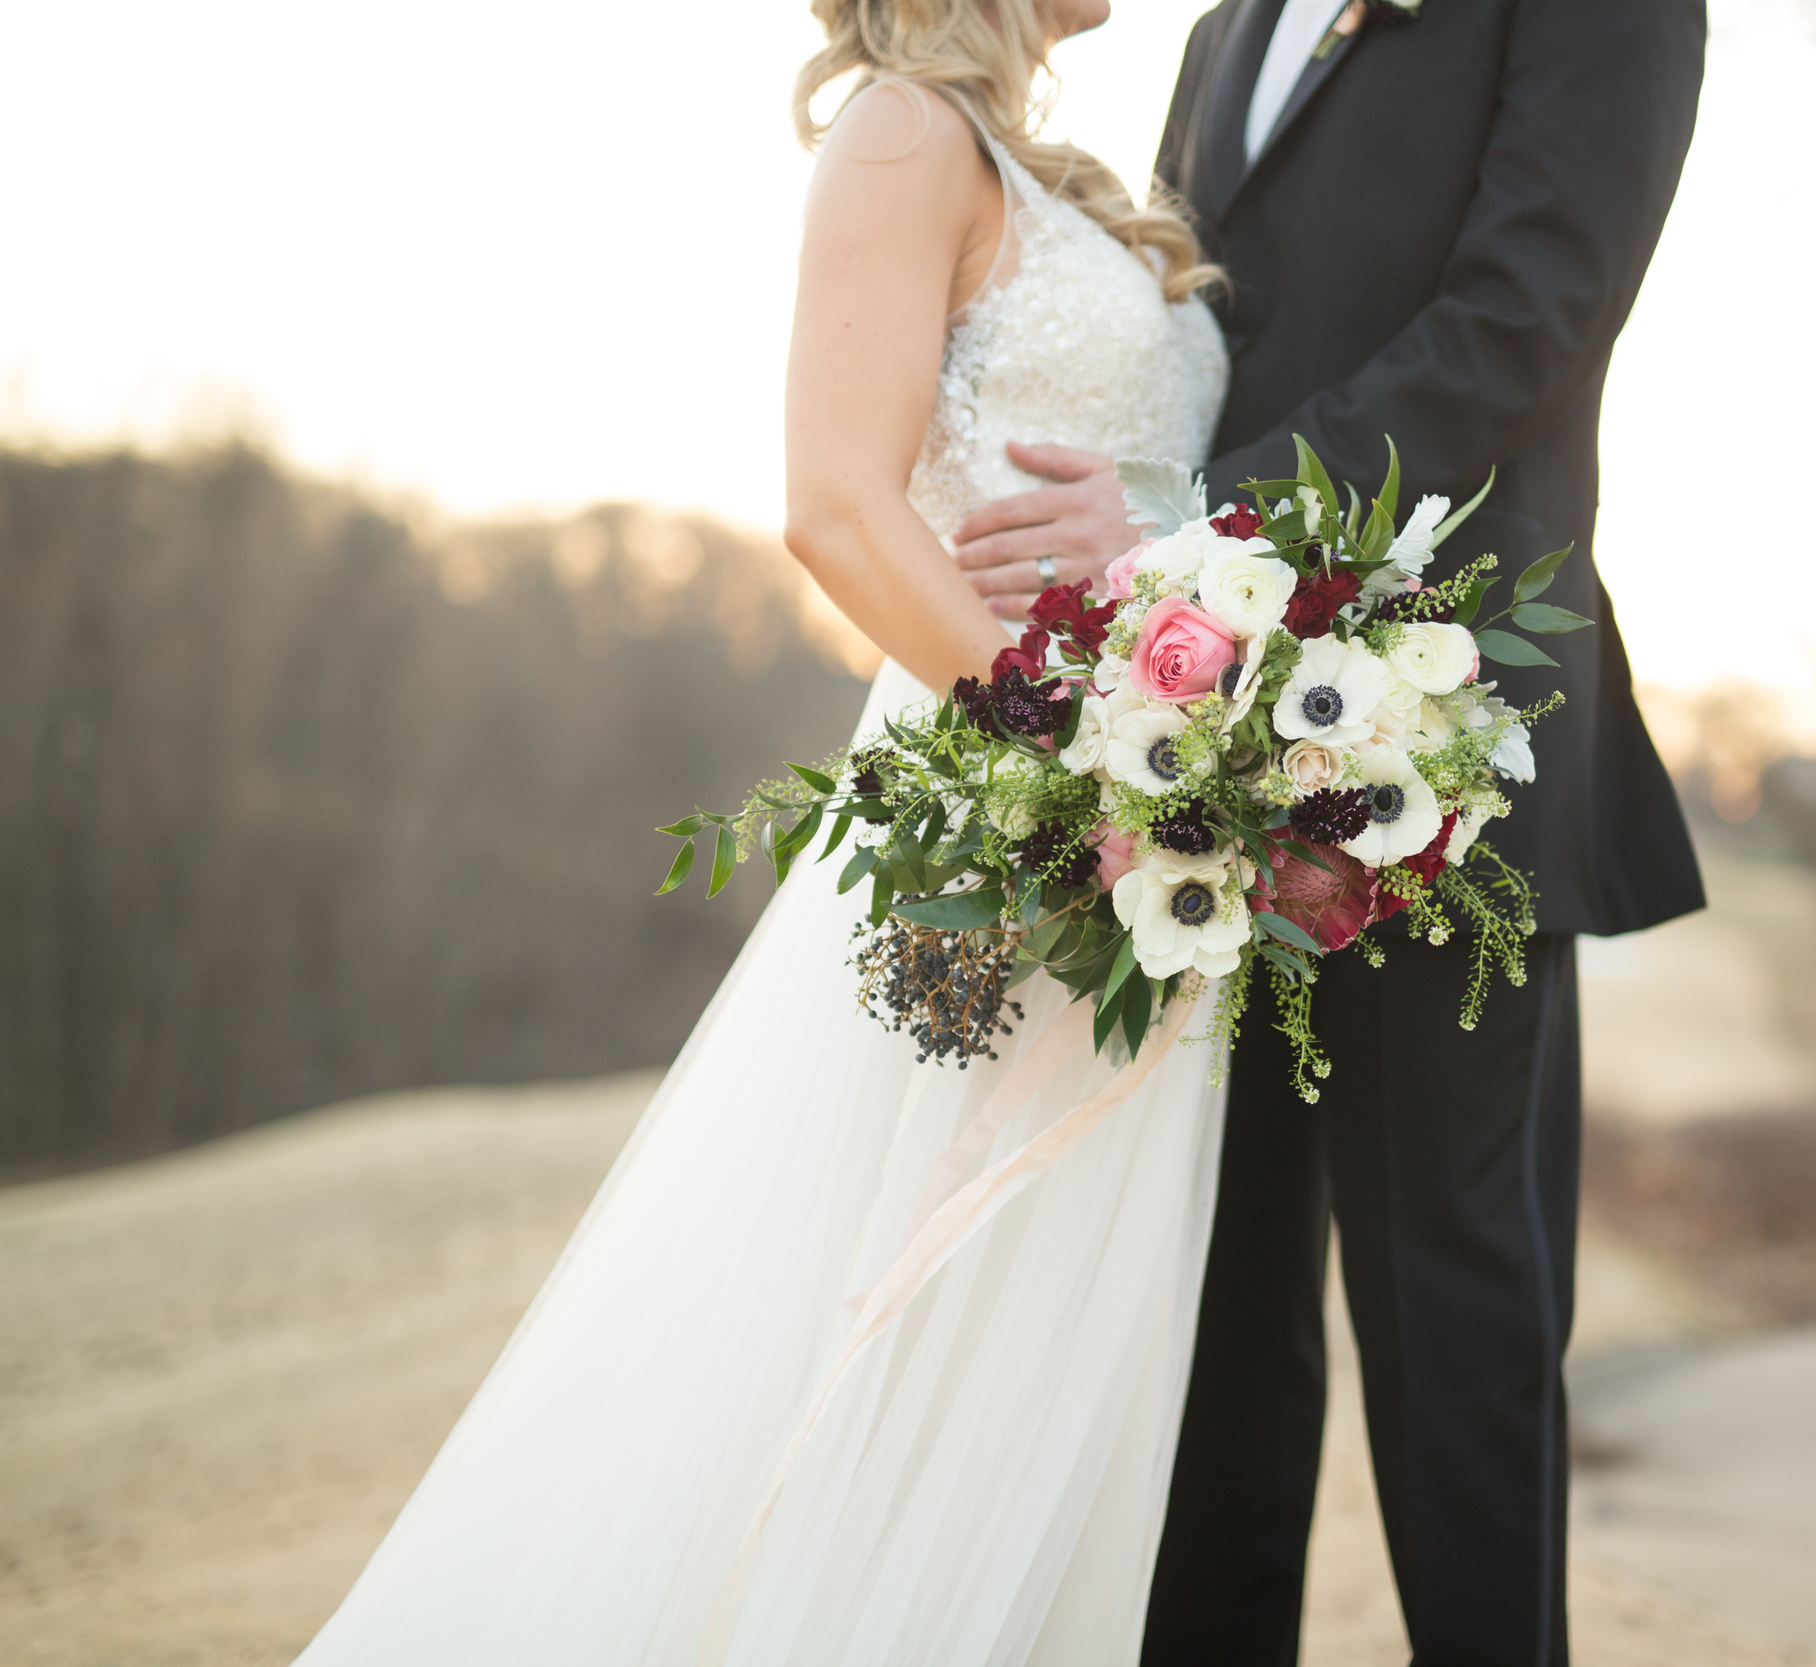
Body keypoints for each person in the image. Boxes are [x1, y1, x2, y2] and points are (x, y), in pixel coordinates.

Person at [289, 1, 1237, 1661]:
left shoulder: (1064, 175)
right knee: (893, 1276)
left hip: (1148, 806)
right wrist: (1069, 755)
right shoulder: (901, 131)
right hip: (1004, 796)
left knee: (1038, 1325)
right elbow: (836, 506)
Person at [949, 1, 1710, 1660]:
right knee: (1210, 1332)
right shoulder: (1229, 27)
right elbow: (1197, 331)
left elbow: (1527, 318)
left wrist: (1193, 523)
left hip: (1448, 731)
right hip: (1190, 763)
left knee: (1456, 1334)